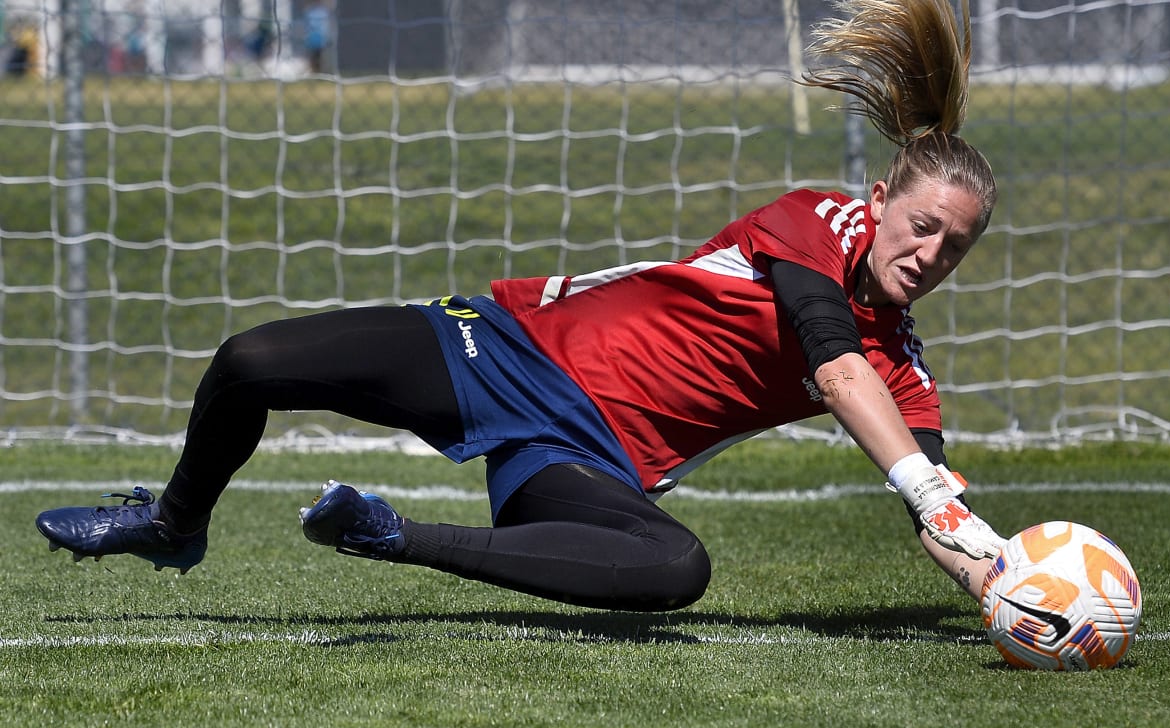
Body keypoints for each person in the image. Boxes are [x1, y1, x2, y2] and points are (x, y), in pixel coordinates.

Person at [36, 0, 1004, 611]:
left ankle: (386, 532)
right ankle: (171, 523)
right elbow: (832, 359)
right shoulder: (810, 220)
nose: (929, 254)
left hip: (584, 456)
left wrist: (997, 574)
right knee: (252, 359)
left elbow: (937, 499)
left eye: (953, 246)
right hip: (497, 347)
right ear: (877, 200)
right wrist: (923, 486)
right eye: (920, 225)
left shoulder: (904, 369)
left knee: (674, 571)